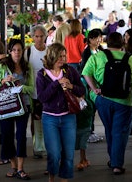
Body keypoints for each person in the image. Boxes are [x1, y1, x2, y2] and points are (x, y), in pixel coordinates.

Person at [82, 32, 132, 175]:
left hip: (103, 99)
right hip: (125, 101)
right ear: (122, 44)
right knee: (120, 132)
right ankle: (117, 164)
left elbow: (86, 73)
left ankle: (113, 158)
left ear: (107, 43)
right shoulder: (131, 58)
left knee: (109, 130)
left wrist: (94, 88)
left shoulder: (98, 56)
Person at [36, 43, 85, 182]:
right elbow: (42, 97)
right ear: (52, 56)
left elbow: (82, 91)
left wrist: (71, 86)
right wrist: (56, 83)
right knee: (54, 154)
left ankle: (64, 180)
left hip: (68, 117)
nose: (62, 59)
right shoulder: (42, 74)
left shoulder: (70, 71)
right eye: (59, 56)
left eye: (64, 56)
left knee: (68, 154)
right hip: (50, 118)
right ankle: (52, 177)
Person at [0, 38, 34, 180]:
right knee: (7, 136)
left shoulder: (28, 67)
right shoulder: (2, 66)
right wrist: (4, 80)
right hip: (6, 105)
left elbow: (32, 88)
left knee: (21, 136)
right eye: (14, 50)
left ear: (23, 51)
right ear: (9, 51)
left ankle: (21, 168)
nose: (16, 53)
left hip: (23, 105)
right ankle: (13, 166)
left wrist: (20, 86)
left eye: (19, 50)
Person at [24, 25, 48, 159]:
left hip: (49, 91)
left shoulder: (49, 51)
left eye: (41, 36)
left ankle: (46, 144)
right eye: (36, 36)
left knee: (48, 118)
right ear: (32, 37)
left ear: (45, 36)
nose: (39, 39)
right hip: (33, 92)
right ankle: (37, 145)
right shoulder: (28, 52)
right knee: (35, 119)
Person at [80, 29, 104, 143]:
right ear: (90, 39)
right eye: (97, 38)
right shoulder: (87, 52)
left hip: (95, 84)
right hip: (88, 84)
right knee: (89, 108)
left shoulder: (99, 50)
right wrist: (91, 85)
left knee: (93, 108)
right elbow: (85, 70)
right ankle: (88, 132)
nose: (99, 40)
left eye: (100, 37)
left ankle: (91, 131)